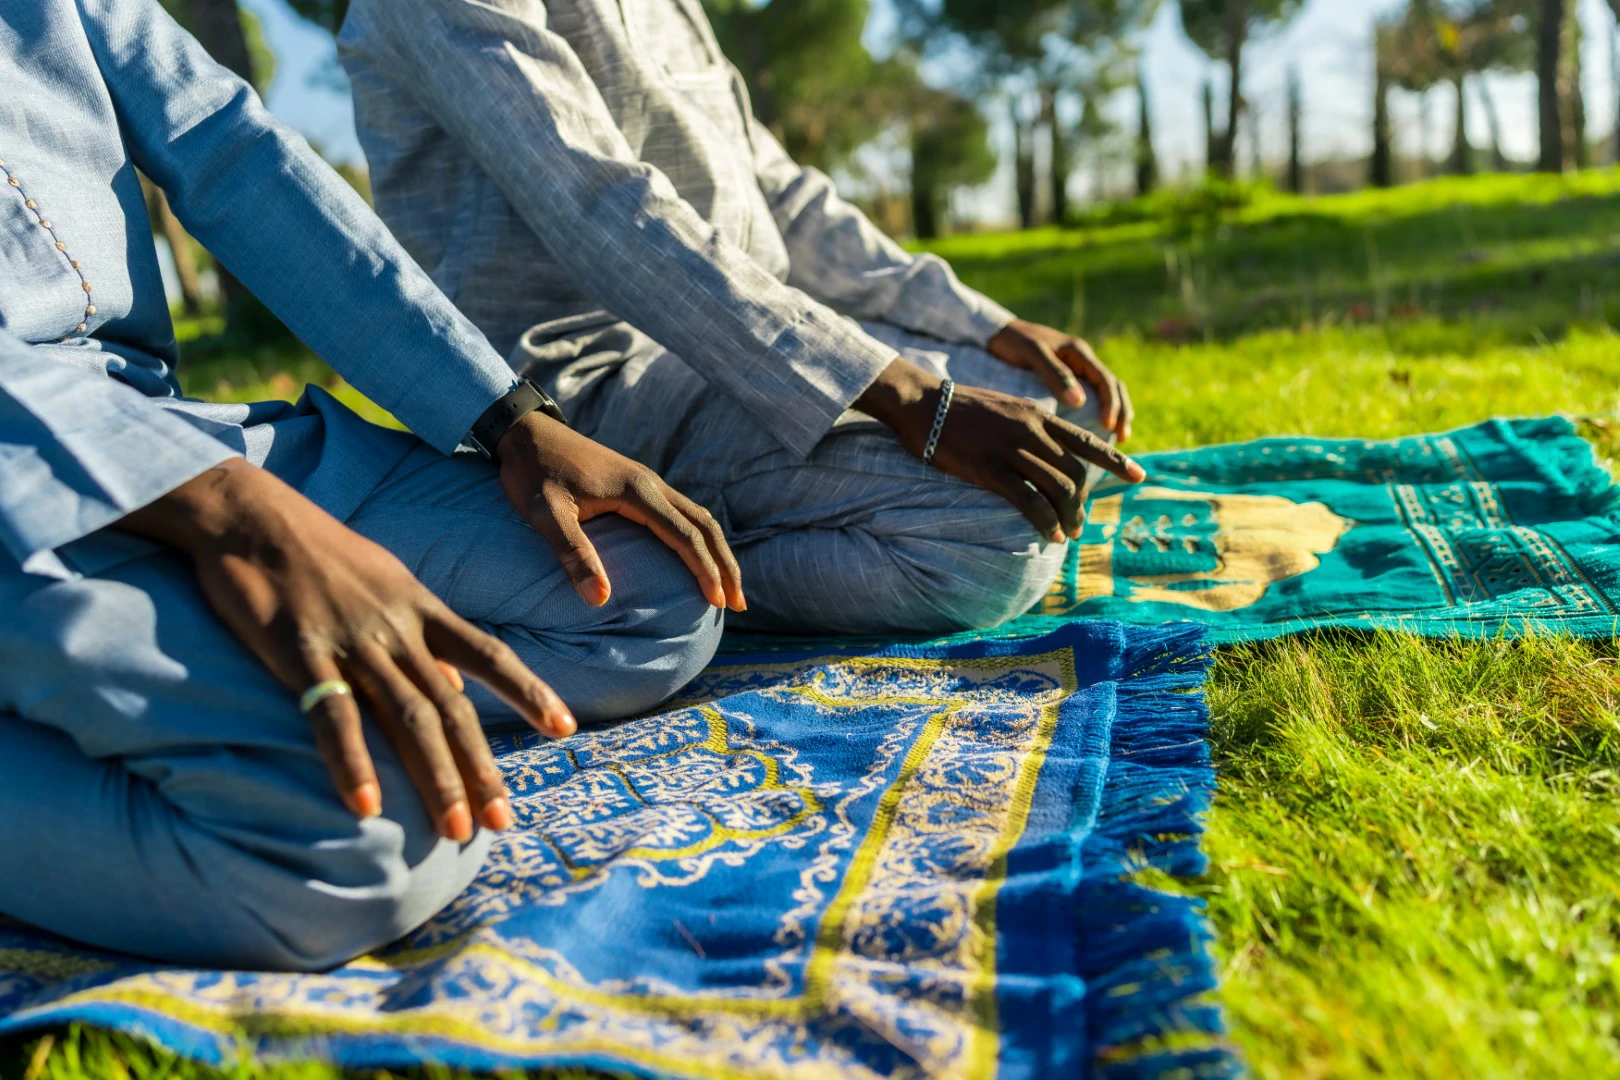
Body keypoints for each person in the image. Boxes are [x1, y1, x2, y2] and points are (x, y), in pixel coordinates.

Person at [0, 0, 744, 972]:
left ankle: (228, 657)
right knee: (364, 842)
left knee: (650, 592)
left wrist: (508, 417)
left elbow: (234, 153)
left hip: (162, 424)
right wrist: (235, 518)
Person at [338, 0, 1148, 638]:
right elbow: (602, 207)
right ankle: (638, 563)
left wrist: (977, 324)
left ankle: (763, 514)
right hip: (592, 385)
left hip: (751, 340)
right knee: (992, 535)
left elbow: (780, 192)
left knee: (1056, 402)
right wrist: (903, 392)